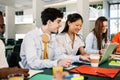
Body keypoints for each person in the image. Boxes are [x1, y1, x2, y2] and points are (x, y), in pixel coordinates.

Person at [0, 11, 29, 79]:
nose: (1, 31)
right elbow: (3, 72)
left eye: (2, 26)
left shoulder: (0, 43)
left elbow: (3, 69)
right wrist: (2, 73)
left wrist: (9, 72)